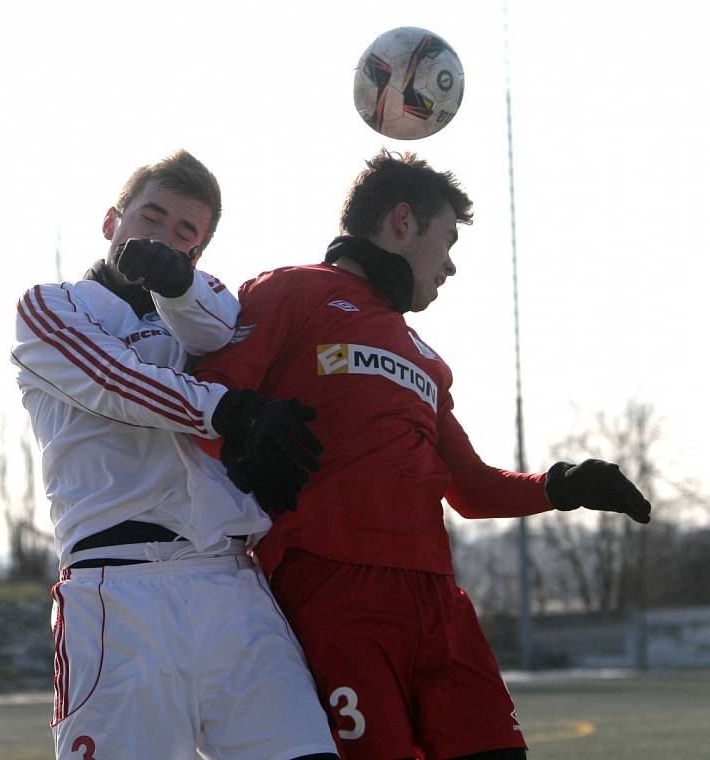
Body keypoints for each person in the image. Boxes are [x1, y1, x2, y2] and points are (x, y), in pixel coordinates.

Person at [195, 149, 652, 760]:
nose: (452, 265)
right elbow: (201, 404)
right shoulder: (291, 291)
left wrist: (563, 484)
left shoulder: (424, 356)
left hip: (438, 597)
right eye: (448, 240)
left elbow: (468, 487)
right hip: (333, 587)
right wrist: (242, 442)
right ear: (402, 222)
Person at [11, 149, 337, 760]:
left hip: (233, 587)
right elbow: (113, 381)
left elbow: (220, 328)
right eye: (150, 217)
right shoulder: (50, 305)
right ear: (112, 222)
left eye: (184, 233)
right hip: (119, 589)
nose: (161, 237)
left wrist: (179, 284)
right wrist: (229, 410)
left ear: (198, 253)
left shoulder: (208, 305)